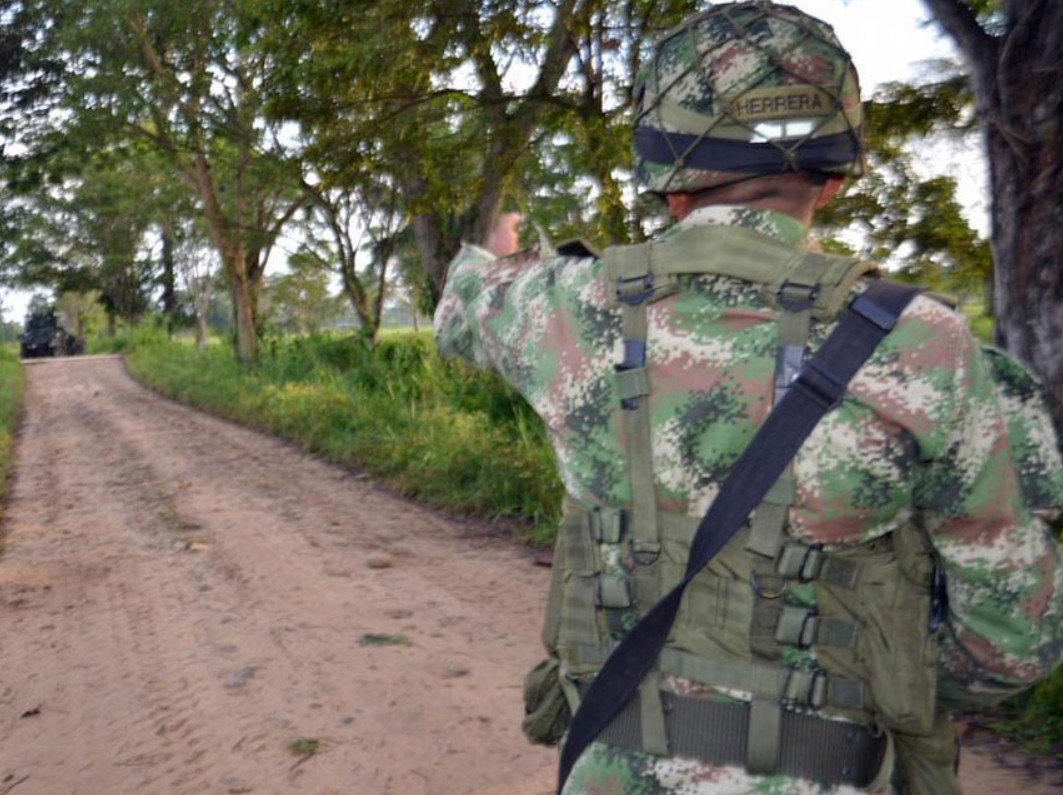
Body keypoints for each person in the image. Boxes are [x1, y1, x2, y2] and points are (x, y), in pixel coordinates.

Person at [433, 2, 1063, 793]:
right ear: (831, 179)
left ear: (668, 182)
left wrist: (496, 248)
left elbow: (459, 306)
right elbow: (1011, 638)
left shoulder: (562, 306)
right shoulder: (925, 345)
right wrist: (889, 681)